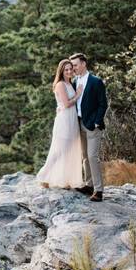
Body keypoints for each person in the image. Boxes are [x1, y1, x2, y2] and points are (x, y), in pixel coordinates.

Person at [36, 59, 87, 189]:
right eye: (66, 69)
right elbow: (66, 104)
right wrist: (77, 95)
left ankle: (66, 180)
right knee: (59, 150)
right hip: (64, 121)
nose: (69, 71)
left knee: (69, 150)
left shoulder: (70, 83)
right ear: (61, 71)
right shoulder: (60, 84)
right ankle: (44, 176)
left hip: (72, 119)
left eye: (71, 69)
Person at [70, 52, 108, 201]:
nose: (73, 68)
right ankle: (89, 184)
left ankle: (99, 191)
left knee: (92, 156)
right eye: (72, 66)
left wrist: (97, 122)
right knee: (84, 156)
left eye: (75, 65)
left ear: (84, 64)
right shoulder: (74, 82)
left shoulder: (96, 81)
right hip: (79, 123)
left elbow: (102, 104)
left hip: (92, 125)